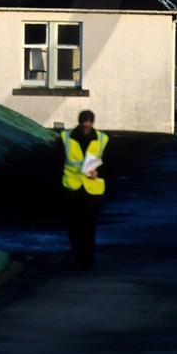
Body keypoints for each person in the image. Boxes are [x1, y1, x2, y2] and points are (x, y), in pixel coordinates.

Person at [59, 109, 108, 269]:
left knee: (88, 223)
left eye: (88, 126)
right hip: (72, 186)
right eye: (83, 126)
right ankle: (78, 254)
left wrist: (99, 172)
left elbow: (110, 162)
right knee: (74, 224)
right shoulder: (65, 137)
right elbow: (57, 162)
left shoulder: (102, 139)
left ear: (92, 124)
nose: (86, 129)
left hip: (92, 189)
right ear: (79, 124)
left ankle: (87, 256)